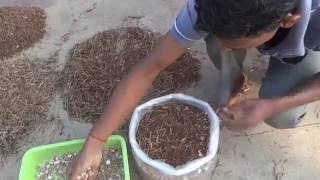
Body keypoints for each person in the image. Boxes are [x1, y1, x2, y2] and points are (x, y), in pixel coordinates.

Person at [69, 0, 320, 179]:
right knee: (217, 42)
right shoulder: (209, 6)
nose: (222, 46)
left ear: (288, 20)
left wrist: (274, 105)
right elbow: (150, 67)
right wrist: (96, 139)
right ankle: (233, 80)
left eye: (234, 42)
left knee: (283, 115)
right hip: (265, 28)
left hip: (303, 45)